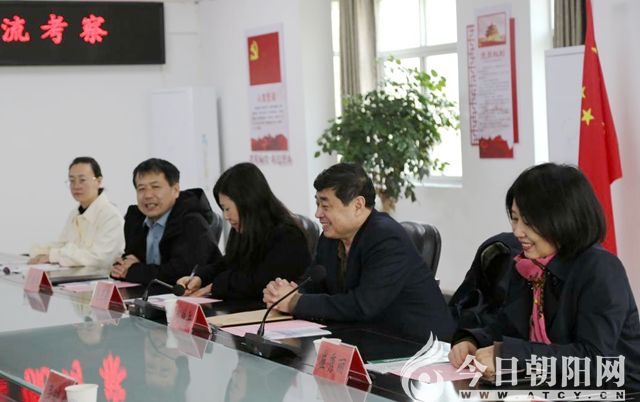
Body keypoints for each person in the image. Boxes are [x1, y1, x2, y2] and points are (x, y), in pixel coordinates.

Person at [448, 163, 640, 392]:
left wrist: (507, 355)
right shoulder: (529, 265)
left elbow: (594, 361)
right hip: (551, 387)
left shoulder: (601, 270)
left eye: (528, 222)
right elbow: (509, 327)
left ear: (563, 218)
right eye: (515, 219)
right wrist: (472, 341)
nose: (517, 232)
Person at [262, 163, 454, 341]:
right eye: (318, 204)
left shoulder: (387, 238)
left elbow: (363, 305)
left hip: (417, 346)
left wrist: (295, 302)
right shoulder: (330, 238)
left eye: (325, 206)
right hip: (365, 338)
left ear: (358, 205)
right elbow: (313, 283)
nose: (318, 214)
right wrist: (284, 294)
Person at [177, 162, 310, 300]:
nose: (226, 216)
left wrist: (215, 286)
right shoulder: (244, 230)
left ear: (247, 203)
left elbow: (259, 282)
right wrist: (201, 277)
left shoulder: (288, 236)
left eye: (227, 209)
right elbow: (229, 262)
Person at [111, 158, 221, 285]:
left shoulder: (192, 221)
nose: (147, 195)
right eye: (141, 189)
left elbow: (182, 273)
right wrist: (121, 267)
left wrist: (133, 271)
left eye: (155, 187)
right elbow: (130, 262)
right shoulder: (135, 220)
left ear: (175, 190)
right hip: (147, 293)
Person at [29, 157, 124, 268]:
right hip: (76, 275)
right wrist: (39, 252)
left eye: (82, 180)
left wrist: (53, 256)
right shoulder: (75, 213)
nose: (76, 186)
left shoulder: (111, 216)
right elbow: (63, 244)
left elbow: (98, 258)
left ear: (98, 181)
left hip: (101, 277)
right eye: (72, 180)